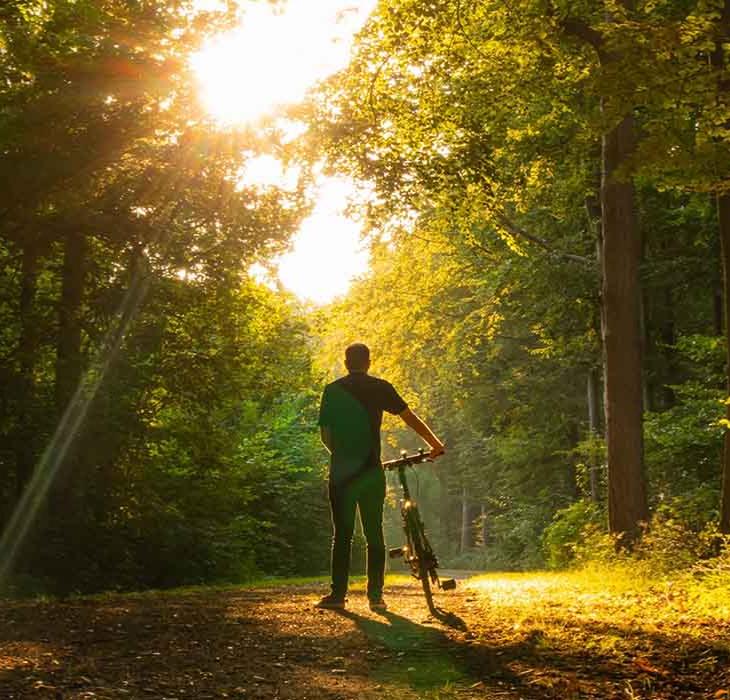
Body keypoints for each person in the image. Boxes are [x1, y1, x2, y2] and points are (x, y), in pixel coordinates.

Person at [316, 342, 445, 611]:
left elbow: (325, 435)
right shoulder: (380, 387)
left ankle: (338, 596)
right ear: (369, 362)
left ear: (345, 361)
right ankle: (376, 596)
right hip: (371, 471)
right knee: (374, 532)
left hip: (341, 473)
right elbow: (410, 418)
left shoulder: (332, 390)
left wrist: (340, 457)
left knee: (343, 534)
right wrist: (434, 443)